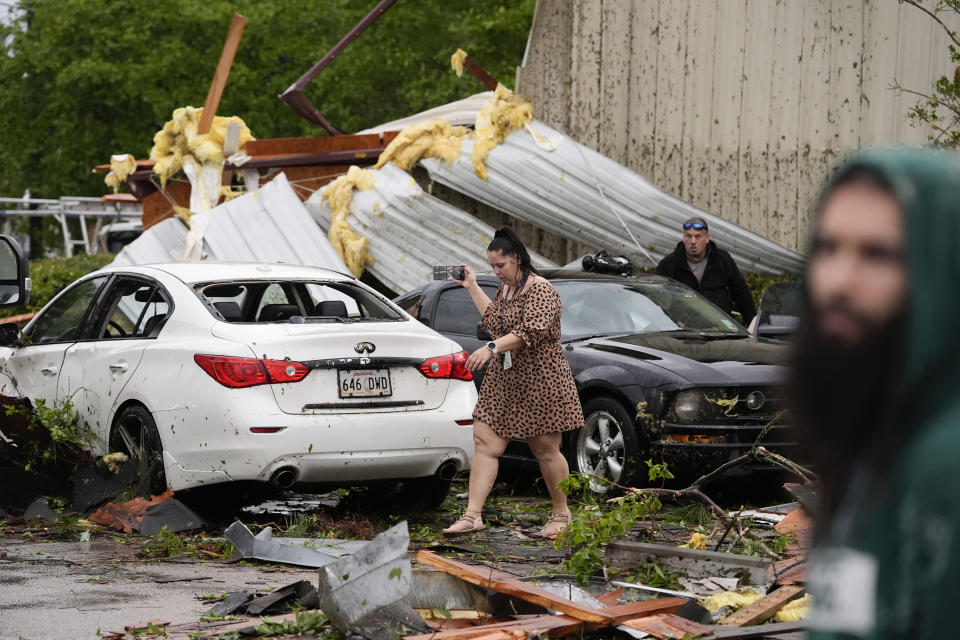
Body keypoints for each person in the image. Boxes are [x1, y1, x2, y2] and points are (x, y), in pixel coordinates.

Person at [792, 149, 960, 638]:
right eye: (827, 248)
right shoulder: (882, 422)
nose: (840, 282)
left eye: (878, 254)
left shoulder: (946, 464)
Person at [442, 227, 584, 539]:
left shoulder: (541, 291)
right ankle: (472, 516)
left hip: (541, 376)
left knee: (545, 448)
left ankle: (561, 514)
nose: (496, 272)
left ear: (517, 259)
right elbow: (494, 322)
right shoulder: (506, 290)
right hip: (506, 377)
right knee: (485, 440)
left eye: (500, 266)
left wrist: (490, 348)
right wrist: (472, 286)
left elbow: (528, 332)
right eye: (491, 266)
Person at [655, 217, 756, 325]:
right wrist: (669, 323)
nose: (693, 241)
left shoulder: (722, 260)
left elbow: (741, 293)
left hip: (720, 330)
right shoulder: (669, 264)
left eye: (698, 236)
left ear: (707, 238)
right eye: (689, 236)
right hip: (683, 332)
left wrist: (752, 325)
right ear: (683, 238)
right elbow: (655, 297)